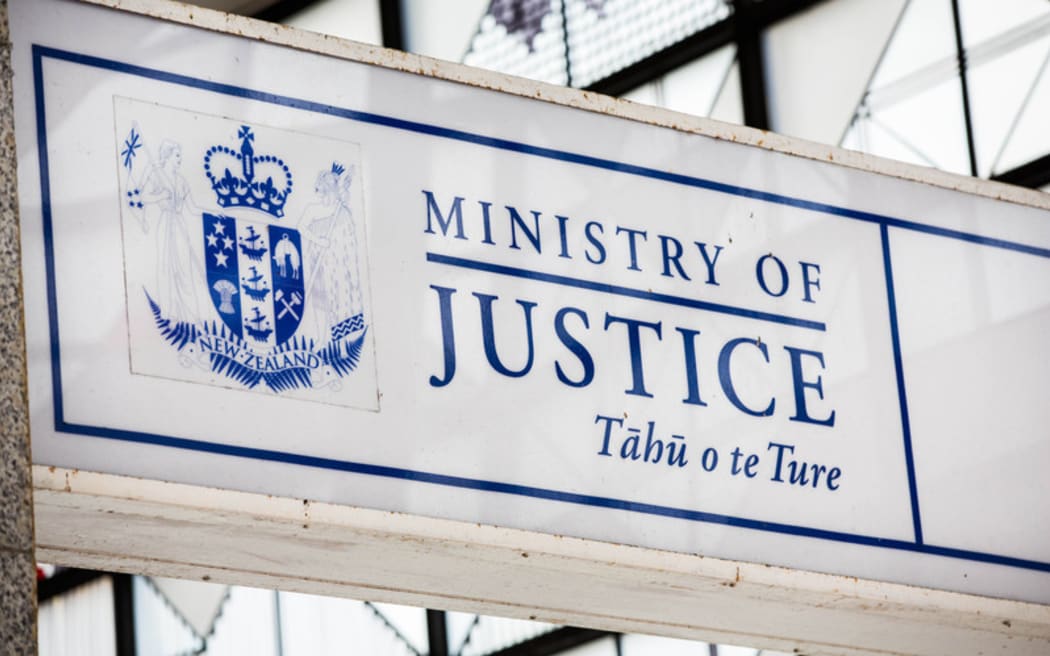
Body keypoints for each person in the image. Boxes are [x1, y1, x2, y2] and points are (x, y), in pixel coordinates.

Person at [139, 140, 206, 325]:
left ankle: (191, 313)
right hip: (166, 223)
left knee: (185, 268)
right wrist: (161, 195)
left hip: (179, 224)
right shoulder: (156, 175)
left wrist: (214, 214)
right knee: (166, 265)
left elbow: (192, 207)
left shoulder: (181, 181)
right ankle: (170, 311)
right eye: (177, 155)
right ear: (167, 156)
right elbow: (143, 196)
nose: (180, 159)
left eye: (180, 156)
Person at [298, 163, 362, 341]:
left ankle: (336, 339)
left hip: (336, 263)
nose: (319, 195)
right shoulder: (313, 209)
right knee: (320, 302)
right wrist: (319, 241)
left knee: (337, 299)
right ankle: (321, 337)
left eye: (323, 191)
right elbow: (301, 227)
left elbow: (347, 235)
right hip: (318, 261)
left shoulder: (340, 210)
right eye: (319, 191)